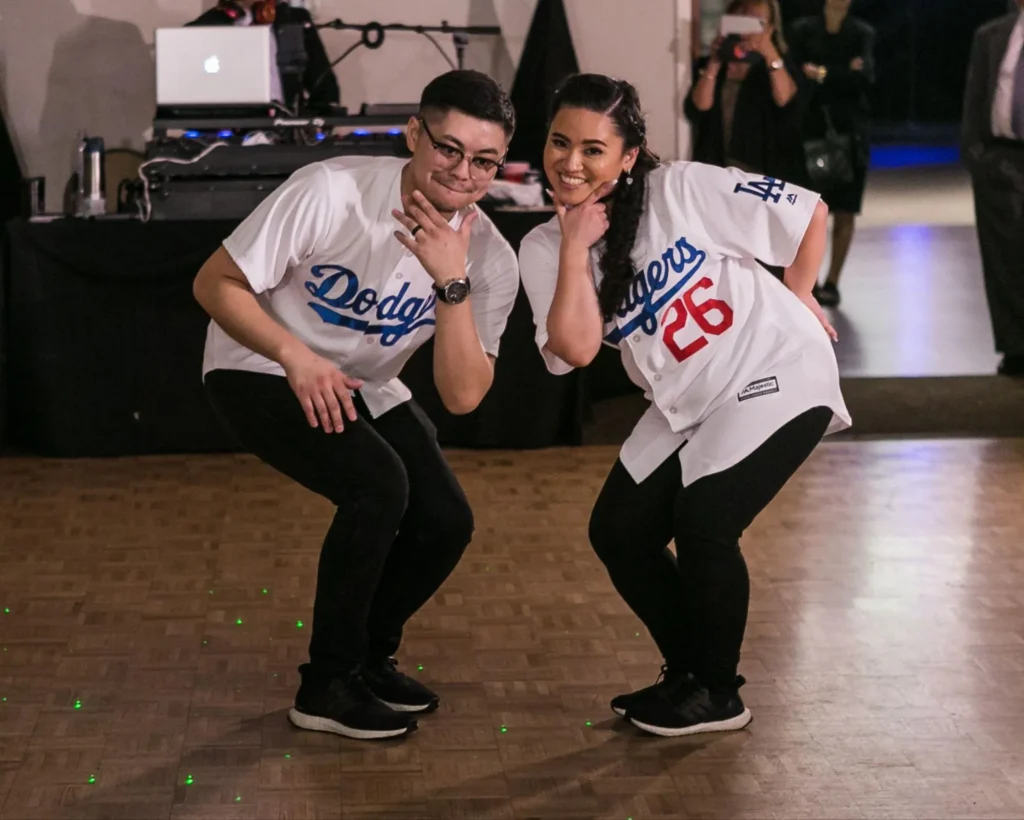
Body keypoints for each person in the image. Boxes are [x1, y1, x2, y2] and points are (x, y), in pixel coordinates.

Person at [518, 73, 851, 737]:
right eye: (560, 143)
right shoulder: (543, 248)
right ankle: (689, 672)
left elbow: (809, 210)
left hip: (775, 370)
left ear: (628, 156)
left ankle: (720, 693)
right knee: (618, 531)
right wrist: (577, 247)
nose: (571, 161)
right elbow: (577, 351)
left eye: (592, 148)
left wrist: (802, 293)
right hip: (689, 400)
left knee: (704, 521)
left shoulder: (682, 188)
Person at [193, 69, 519, 740]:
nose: (463, 172)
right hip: (257, 361)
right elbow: (214, 283)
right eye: (449, 148)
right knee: (378, 486)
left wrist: (452, 281)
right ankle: (326, 685)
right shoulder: (332, 190)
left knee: (446, 519)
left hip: (362, 378)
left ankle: (369, 657)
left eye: (483, 160)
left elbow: (462, 395)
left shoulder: (489, 258)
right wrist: (296, 357)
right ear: (413, 135)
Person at [790, 0, 876, 307]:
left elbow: (864, 77)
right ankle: (804, 280)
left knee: (845, 208)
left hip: (849, 131)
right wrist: (842, 71)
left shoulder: (862, 32)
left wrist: (821, 72)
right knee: (806, 210)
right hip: (809, 129)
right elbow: (796, 73)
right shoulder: (803, 30)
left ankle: (833, 281)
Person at [961, 0, 1024, 377]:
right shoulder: (992, 35)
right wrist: (977, 157)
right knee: (1003, 257)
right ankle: (1017, 348)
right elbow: (976, 98)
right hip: (1000, 157)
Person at [685, 0, 806, 185]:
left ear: (771, 28)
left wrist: (769, 52)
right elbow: (698, 108)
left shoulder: (778, 65)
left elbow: (786, 101)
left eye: (757, 21)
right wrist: (715, 62)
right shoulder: (713, 64)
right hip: (717, 171)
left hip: (765, 173)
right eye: (743, 18)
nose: (747, 29)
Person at [186, 0, 341, 111]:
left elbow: (325, 89)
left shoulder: (294, 19)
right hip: (229, 142)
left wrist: (313, 130)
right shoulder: (204, 27)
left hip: (288, 140)